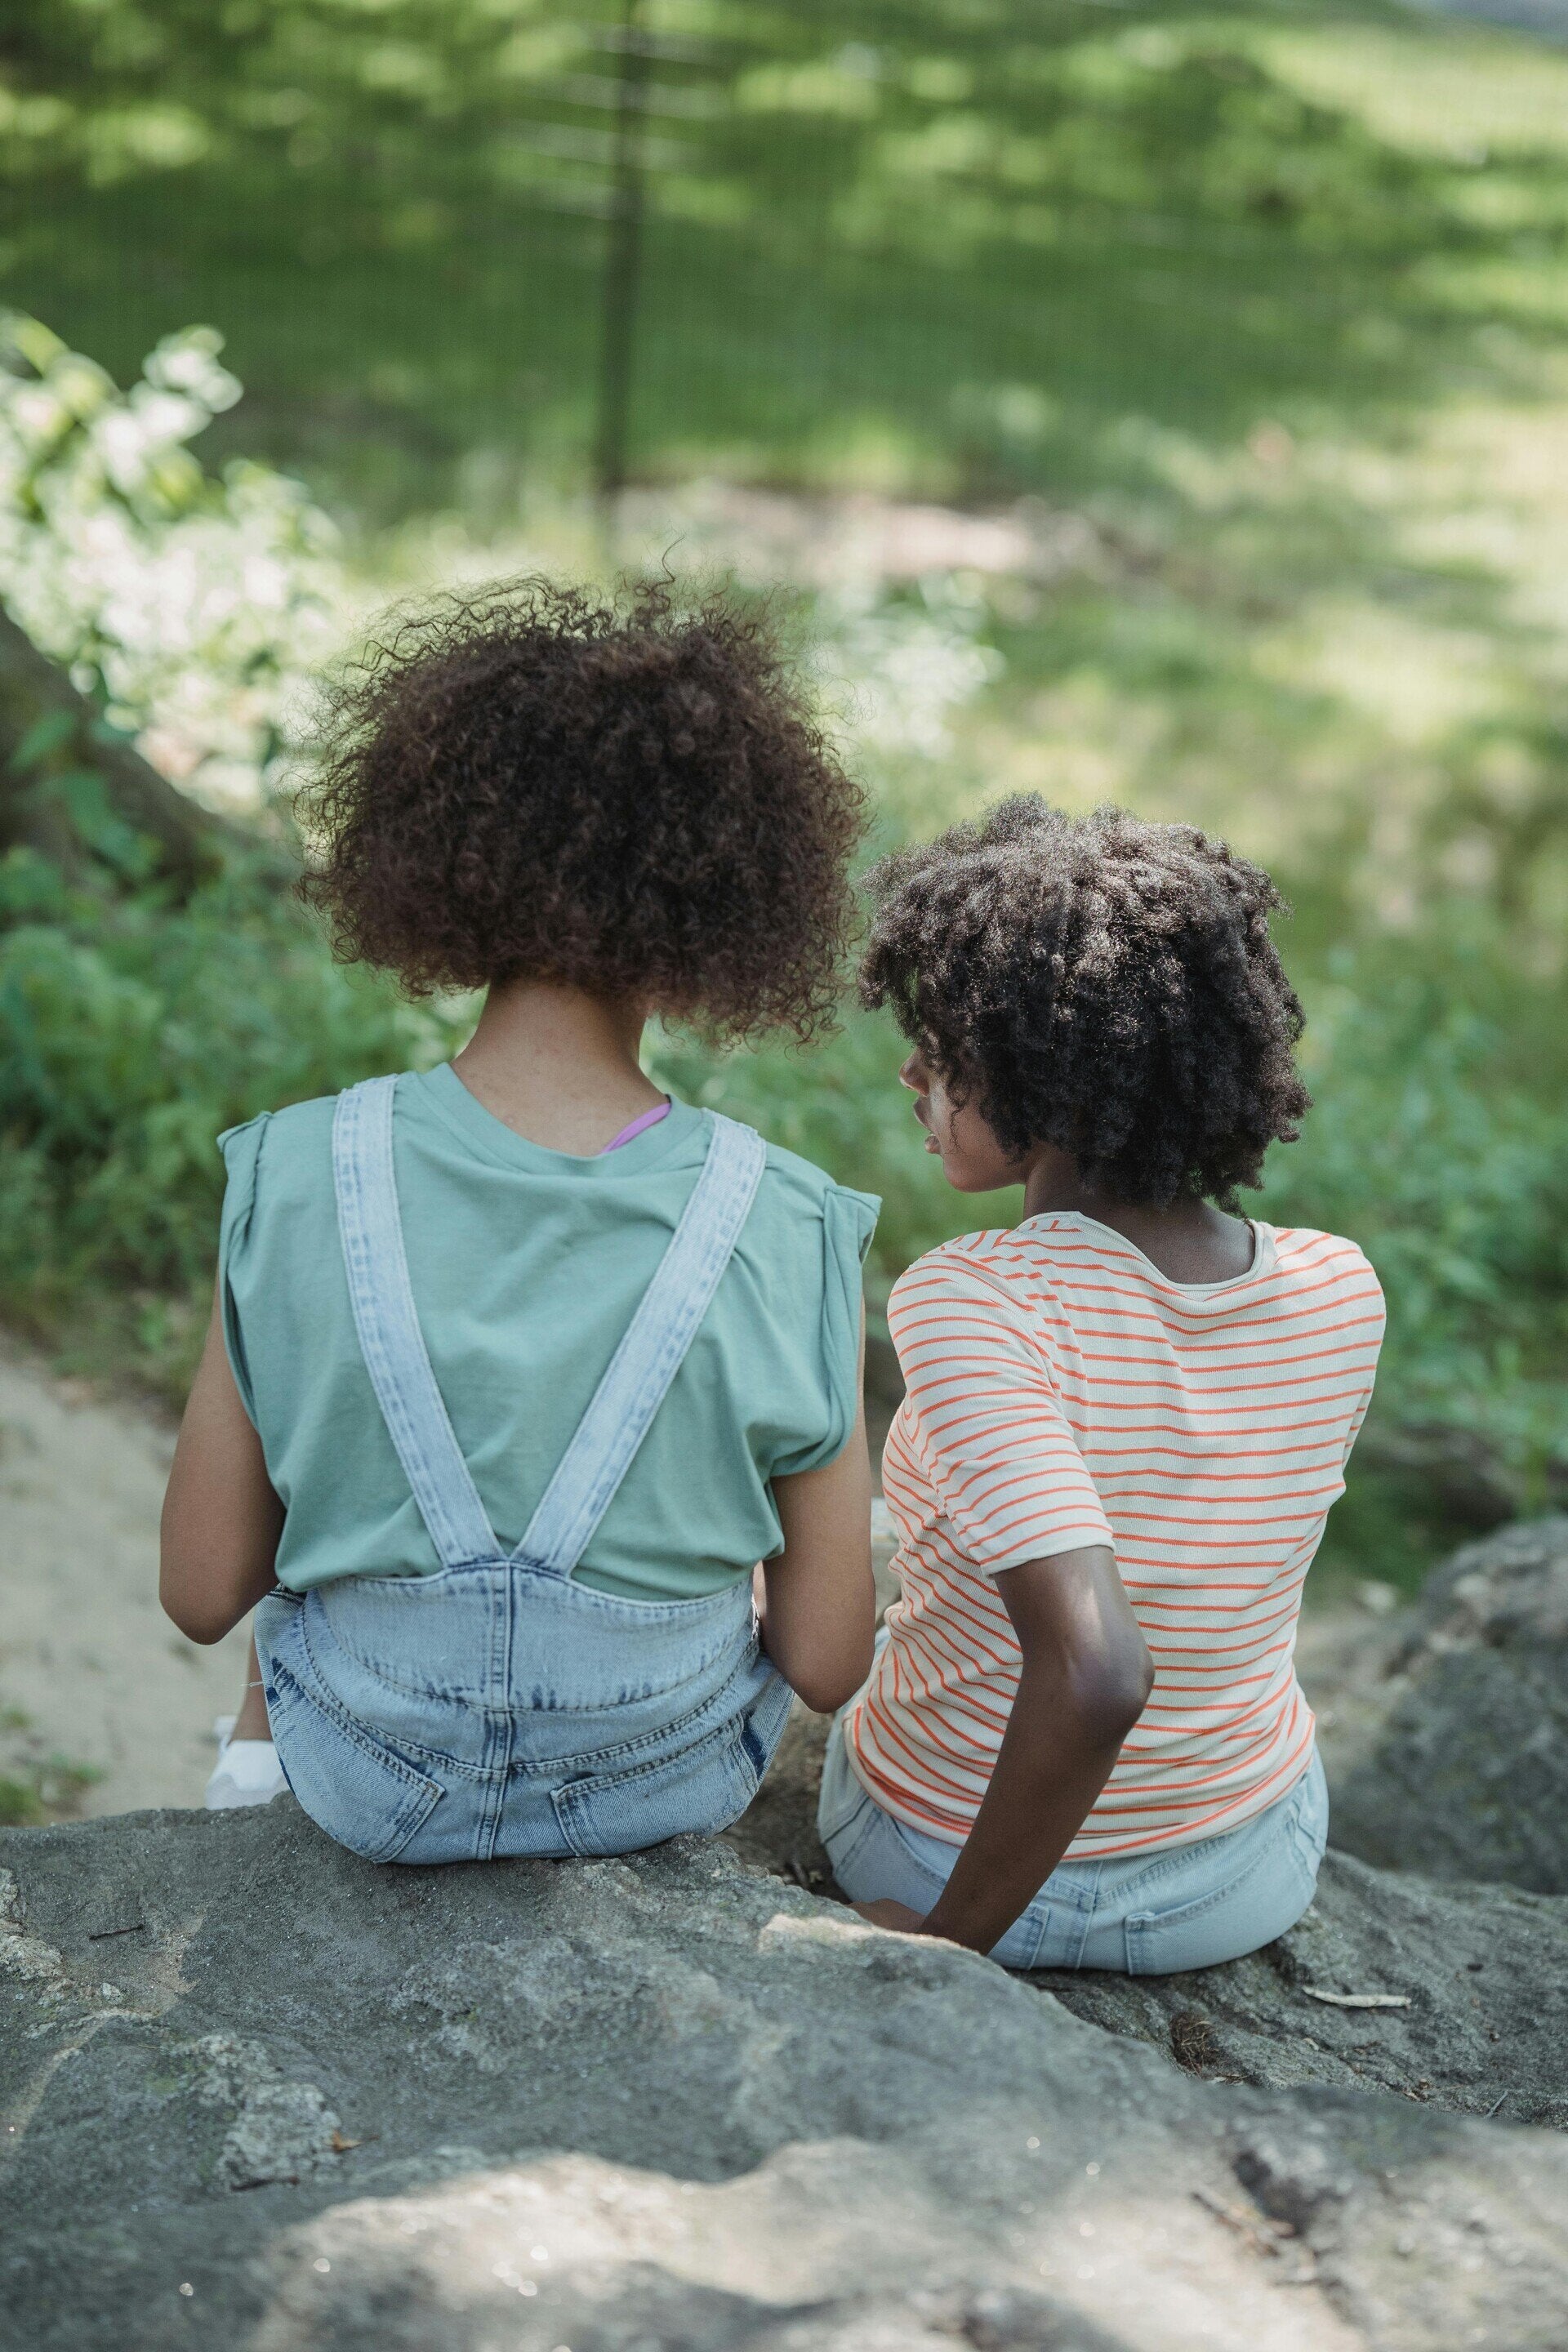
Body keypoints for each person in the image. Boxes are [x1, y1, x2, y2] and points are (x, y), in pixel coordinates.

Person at [161, 581, 879, 1861]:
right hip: (661, 1782)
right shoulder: (786, 1218)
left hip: (366, 1779)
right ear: (724, 906)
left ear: (443, 868)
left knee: (285, 1652)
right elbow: (826, 1659)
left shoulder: (296, 1168)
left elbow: (204, 1587)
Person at [820, 799, 1383, 1971]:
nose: (911, 1069)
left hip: (939, 1858)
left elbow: (1099, 1670)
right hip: (1238, 1875)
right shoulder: (1342, 1287)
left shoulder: (975, 1298)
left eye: (949, 1047)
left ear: (1050, 1080)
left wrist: (946, 1950)